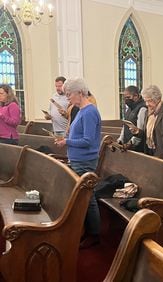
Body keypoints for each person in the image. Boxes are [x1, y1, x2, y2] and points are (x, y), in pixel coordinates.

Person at [54, 78, 101, 249]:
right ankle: (87, 231)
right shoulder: (81, 110)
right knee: (84, 198)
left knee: (88, 198)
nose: (67, 98)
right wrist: (66, 141)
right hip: (78, 159)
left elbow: (88, 141)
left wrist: (67, 142)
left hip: (85, 160)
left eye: (69, 94)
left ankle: (94, 234)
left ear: (80, 93)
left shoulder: (89, 112)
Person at [133, 85, 163, 162]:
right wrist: (137, 132)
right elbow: (148, 133)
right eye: (145, 101)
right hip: (149, 151)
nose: (147, 104)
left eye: (149, 101)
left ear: (157, 99)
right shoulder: (148, 112)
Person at [117, 85, 147, 151]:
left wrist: (131, 143)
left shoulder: (142, 108)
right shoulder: (129, 108)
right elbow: (125, 126)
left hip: (137, 147)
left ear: (136, 96)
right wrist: (120, 139)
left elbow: (140, 130)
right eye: (124, 98)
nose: (126, 100)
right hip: (128, 145)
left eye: (128, 97)